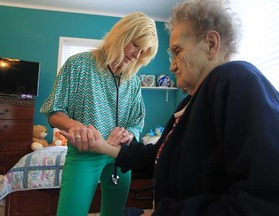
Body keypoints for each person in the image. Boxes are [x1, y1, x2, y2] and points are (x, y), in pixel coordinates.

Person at [76, 0, 279, 215]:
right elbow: (156, 157)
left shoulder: (237, 79)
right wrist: (102, 146)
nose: (172, 65)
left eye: (177, 51)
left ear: (211, 44)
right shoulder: (188, 104)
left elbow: (266, 201)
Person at [40, 12, 158, 216]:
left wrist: (130, 133)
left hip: (119, 156)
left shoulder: (134, 81)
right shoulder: (78, 64)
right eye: (136, 46)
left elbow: (136, 122)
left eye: (143, 52)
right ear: (122, 35)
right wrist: (73, 125)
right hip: (84, 154)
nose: (137, 56)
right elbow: (53, 111)